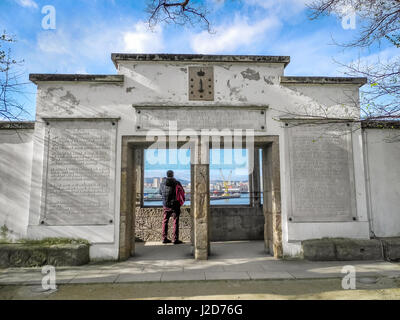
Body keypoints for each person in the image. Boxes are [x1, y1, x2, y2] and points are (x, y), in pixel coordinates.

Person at [159, 170, 185, 245]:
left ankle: (164, 238)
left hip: (166, 205)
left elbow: (160, 192)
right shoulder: (177, 183)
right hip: (175, 205)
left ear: (167, 175)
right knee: (175, 222)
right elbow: (182, 192)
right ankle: (175, 239)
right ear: (173, 175)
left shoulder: (162, 183)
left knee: (165, 221)